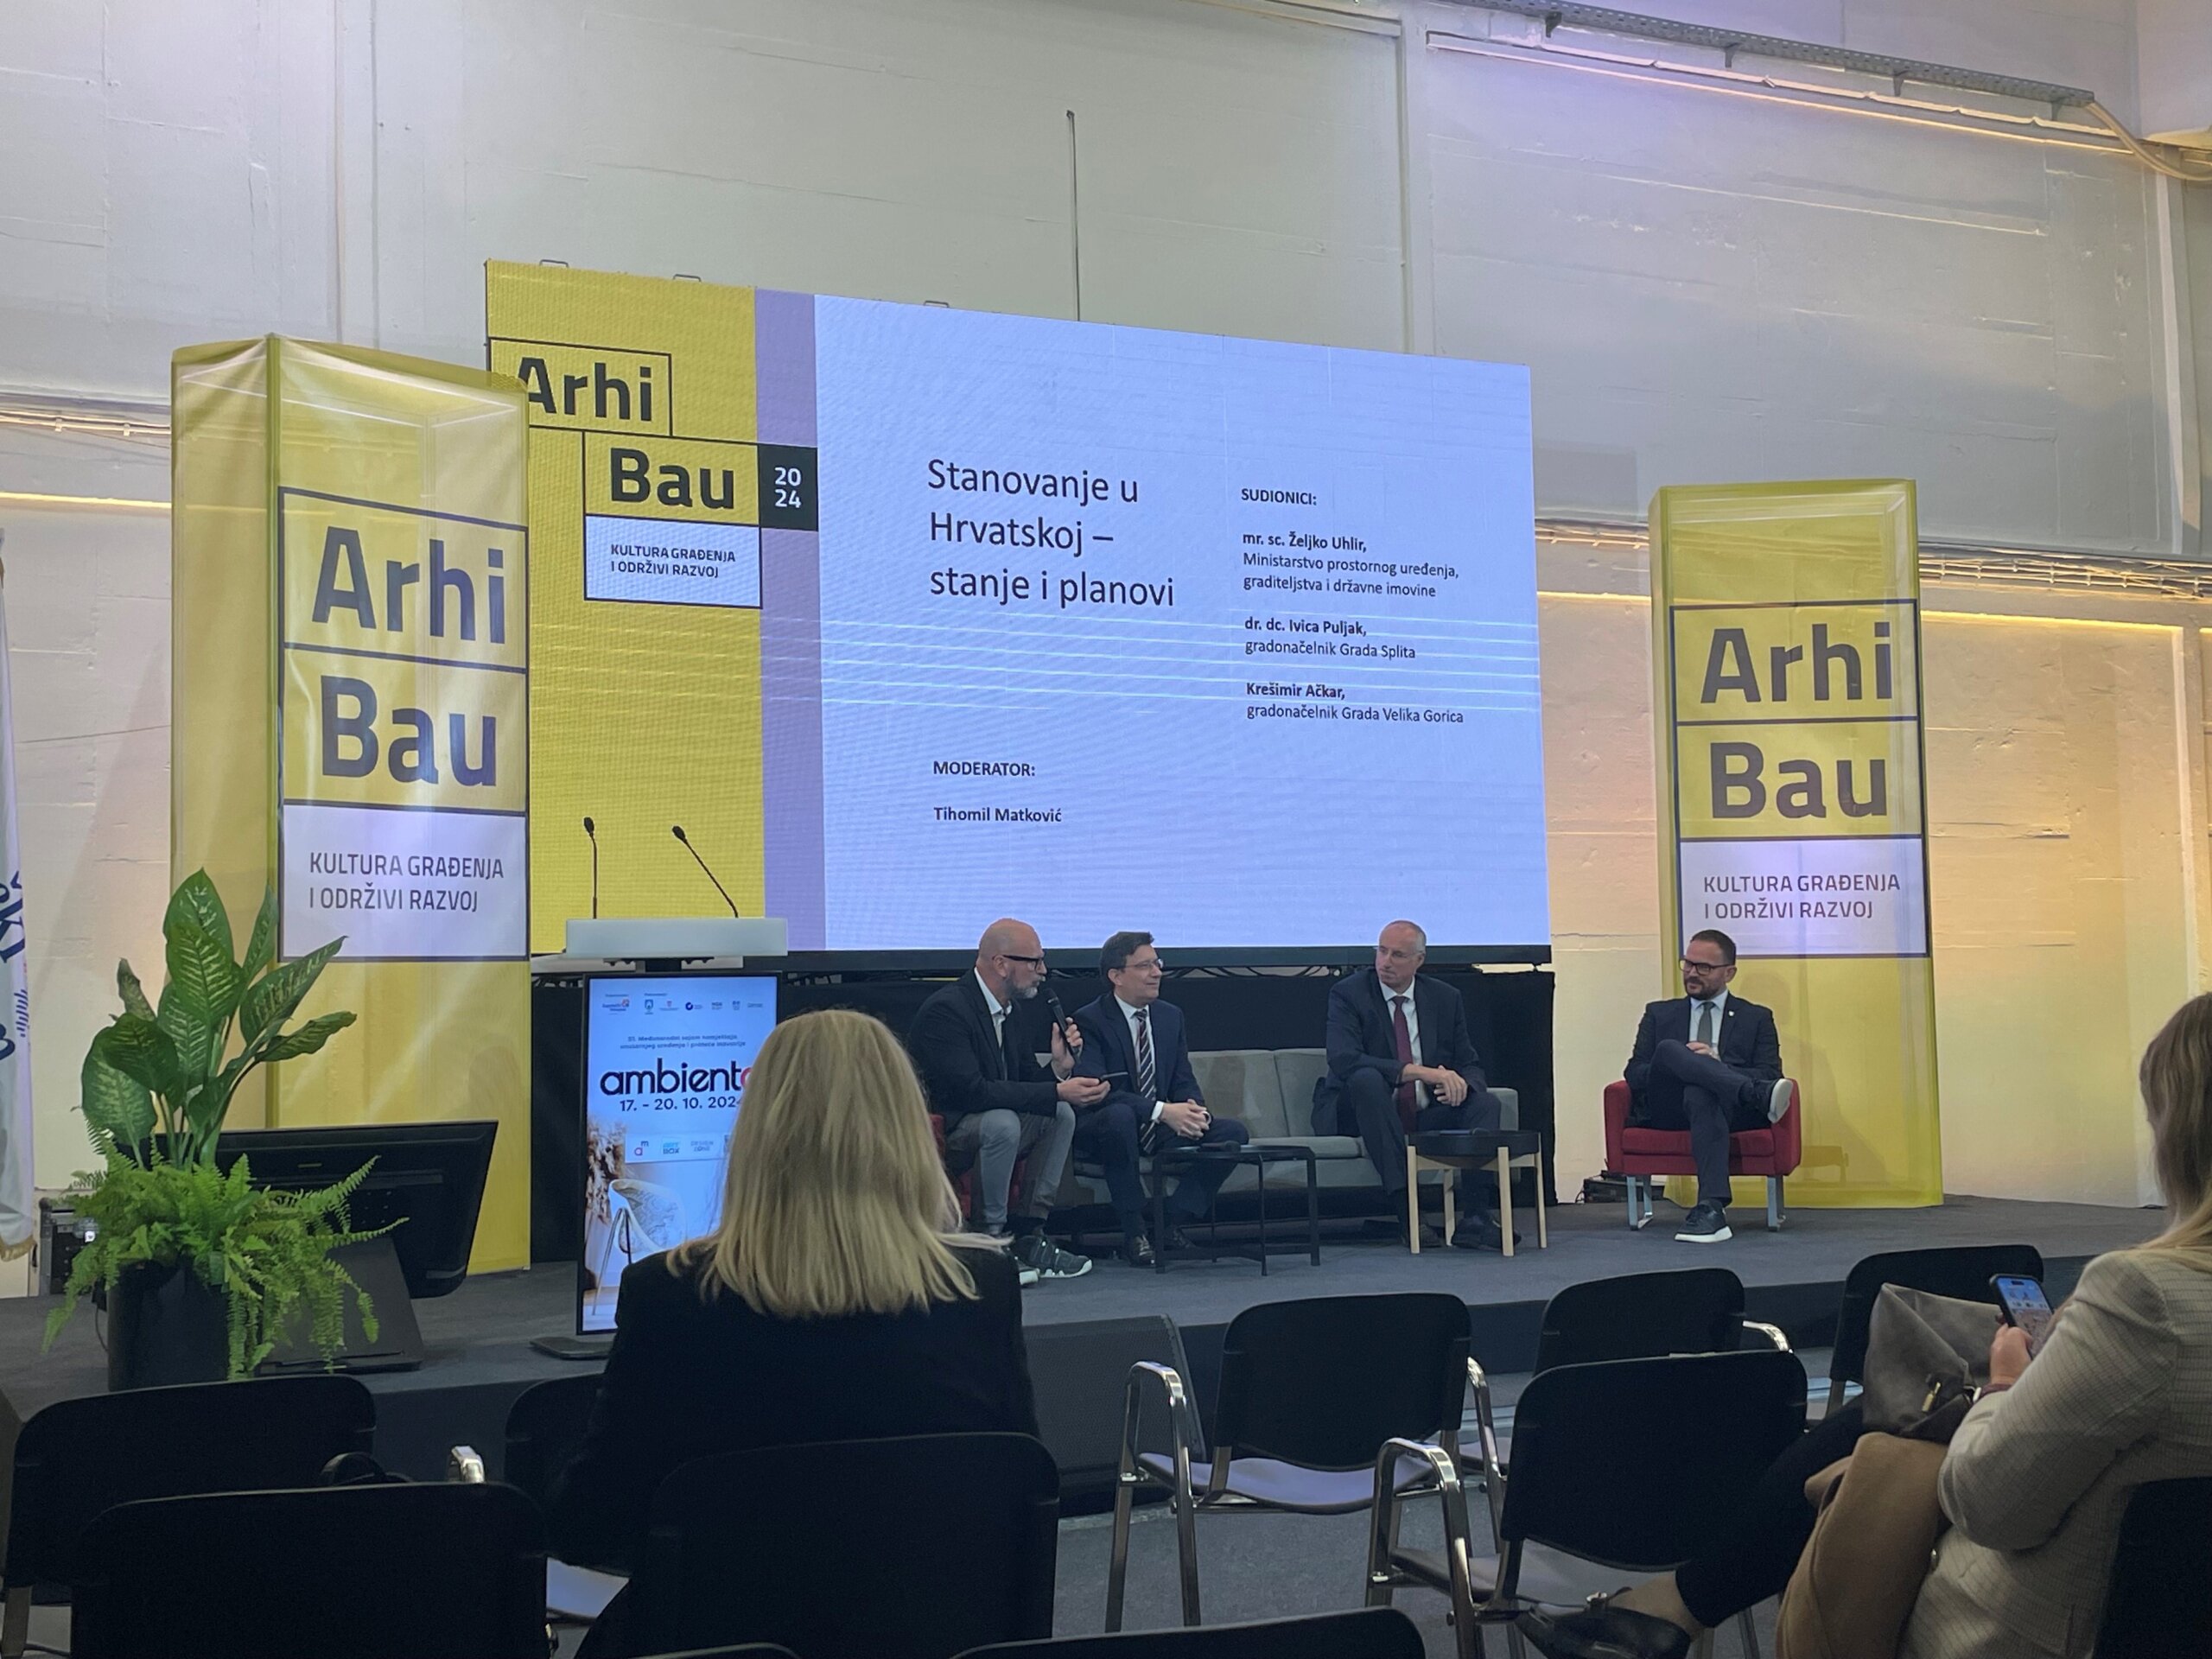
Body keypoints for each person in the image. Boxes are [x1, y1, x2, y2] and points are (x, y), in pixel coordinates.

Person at [1540, 990, 2212, 1659]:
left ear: (2179, 1135)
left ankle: (1679, 1605)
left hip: (2049, 1632)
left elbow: (1992, 1508)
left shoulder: (2141, 1298)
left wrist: (2008, 1386)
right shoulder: (2150, 1298)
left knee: (1884, 1439)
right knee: (1888, 1414)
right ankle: (1679, 1603)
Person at [547, 1008, 1039, 1597]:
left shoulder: (671, 1296)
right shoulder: (980, 1288)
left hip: (720, 1628)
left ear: (756, 1131)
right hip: (935, 1624)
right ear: (907, 1127)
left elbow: (589, 1526)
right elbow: (1021, 1494)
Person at [906, 918, 1097, 1281]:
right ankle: (991, 1240)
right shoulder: (947, 1010)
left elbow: (1026, 1085)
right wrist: (1055, 1089)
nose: (1043, 971)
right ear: (1001, 964)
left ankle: (1028, 1232)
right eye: (1034, 962)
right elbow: (972, 1092)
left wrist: (1058, 1069)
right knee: (1003, 1122)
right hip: (945, 1135)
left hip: (991, 1128)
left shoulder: (1011, 1012)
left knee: (1060, 1113)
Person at [1313, 918, 1510, 1249]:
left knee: (1485, 1102)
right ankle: (1407, 1211)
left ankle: (1476, 1216)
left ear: (1419, 960)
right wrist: (1419, 1072)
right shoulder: (1349, 993)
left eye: (1398, 955)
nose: (1385, 962)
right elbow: (1344, 1059)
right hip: (1357, 1112)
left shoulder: (1444, 998)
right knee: (1367, 1080)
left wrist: (1461, 1084)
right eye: (1381, 951)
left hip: (1422, 1112)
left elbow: (1469, 1062)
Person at [1071, 930, 1251, 1266]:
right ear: (1116, 976)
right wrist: (1161, 1111)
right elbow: (1098, 1091)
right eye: (1145, 966)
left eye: (1157, 964)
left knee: (1232, 1133)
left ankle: (1168, 1222)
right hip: (1107, 1128)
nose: (1156, 973)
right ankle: (1134, 1231)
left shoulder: (1170, 1017)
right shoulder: (1090, 1020)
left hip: (1158, 1127)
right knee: (1120, 1118)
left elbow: (1182, 1078)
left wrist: (1194, 1110)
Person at [1623, 928, 1791, 1244]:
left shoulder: (1756, 1017)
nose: (1692, 973)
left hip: (1726, 1111)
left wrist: (1716, 1066)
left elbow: (1770, 1072)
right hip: (1668, 1107)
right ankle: (1751, 1092)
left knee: (1702, 1092)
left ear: (1729, 973)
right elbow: (1635, 1072)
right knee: (1669, 1050)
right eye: (1688, 964)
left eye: (1704, 967)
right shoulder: (1659, 1013)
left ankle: (1711, 1208)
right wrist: (1681, 1065)